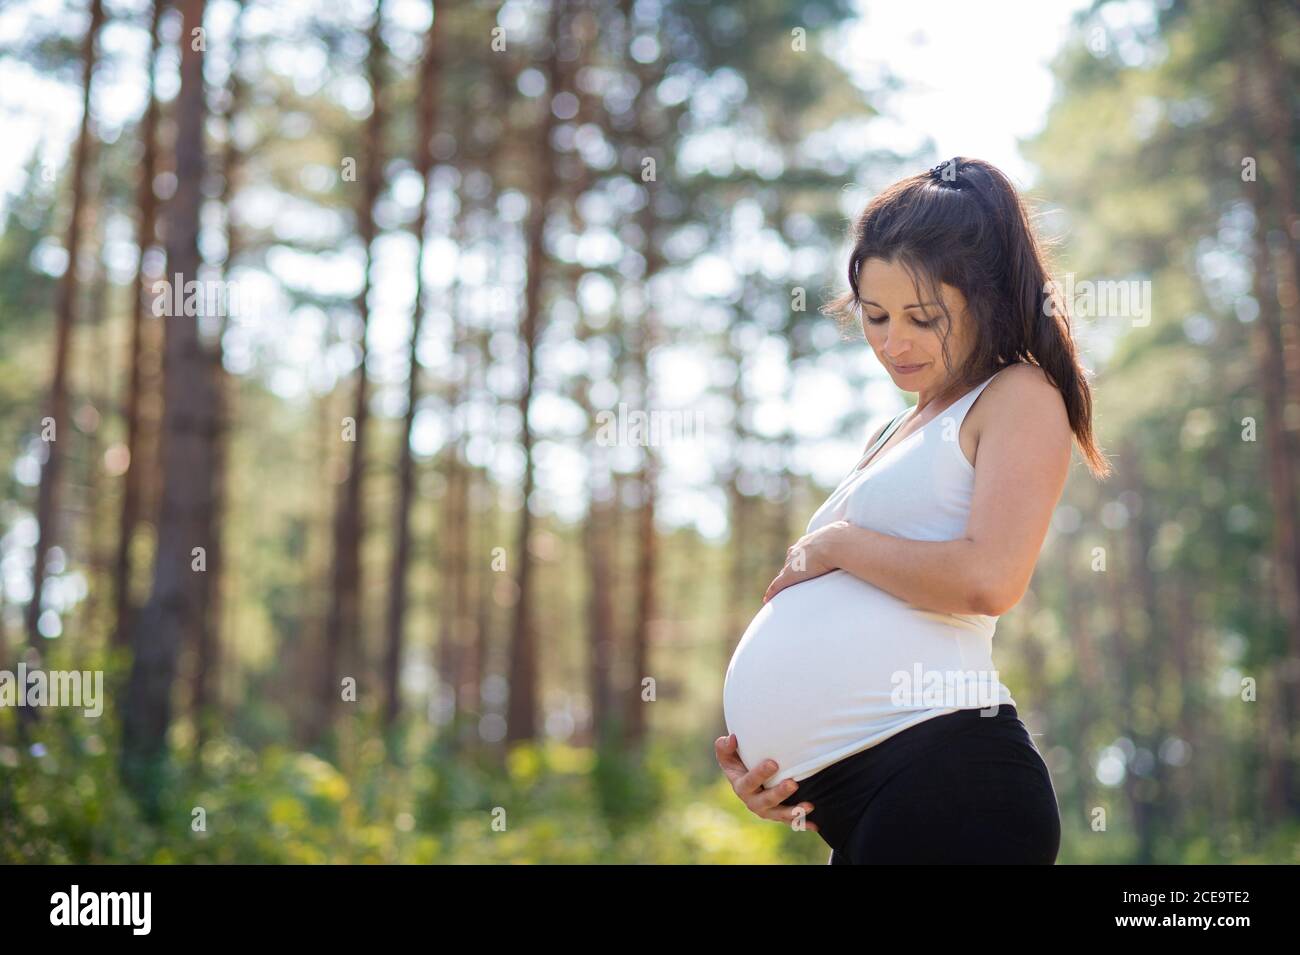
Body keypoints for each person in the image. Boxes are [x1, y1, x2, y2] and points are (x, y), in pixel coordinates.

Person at [715, 157, 1111, 864]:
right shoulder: (891, 431)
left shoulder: (1018, 394)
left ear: (985, 300)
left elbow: (991, 577)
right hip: (864, 803)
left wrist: (838, 542)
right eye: (874, 316)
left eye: (922, 319)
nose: (892, 343)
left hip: (953, 783)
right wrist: (781, 774)